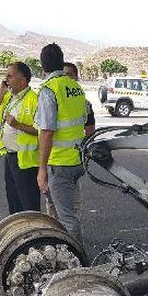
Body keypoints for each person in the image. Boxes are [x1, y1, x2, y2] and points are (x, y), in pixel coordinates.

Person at [36, 44, 87, 241]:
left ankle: (78, 264)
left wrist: (42, 169)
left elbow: (47, 132)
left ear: (43, 65)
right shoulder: (75, 87)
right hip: (76, 160)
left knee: (65, 219)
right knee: (67, 213)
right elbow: (83, 121)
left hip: (59, 163)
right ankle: (63, 253)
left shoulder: (49, 90)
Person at [0, 62, 40, 214]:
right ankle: (19, 234)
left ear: (23, 80)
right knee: (14, 202)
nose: (6, 80)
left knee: (28, 203)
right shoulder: (8, 97)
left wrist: (18, 125)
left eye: (10, 76)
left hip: (26, 160)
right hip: (10, 156)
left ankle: (33, 235)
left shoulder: (34, 99)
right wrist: (1, 92)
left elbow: (41, 131)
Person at [61, 62, 94, 220]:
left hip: (73, 160)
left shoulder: (84, 103)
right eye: (63, 74)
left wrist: (84, 155)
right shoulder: (54, 99)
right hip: (57, 159)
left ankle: (70, 239)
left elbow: (90, 131)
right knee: (54, 203)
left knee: (72, 205)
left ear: (76, 77)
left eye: (70, 74)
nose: (67, 78)